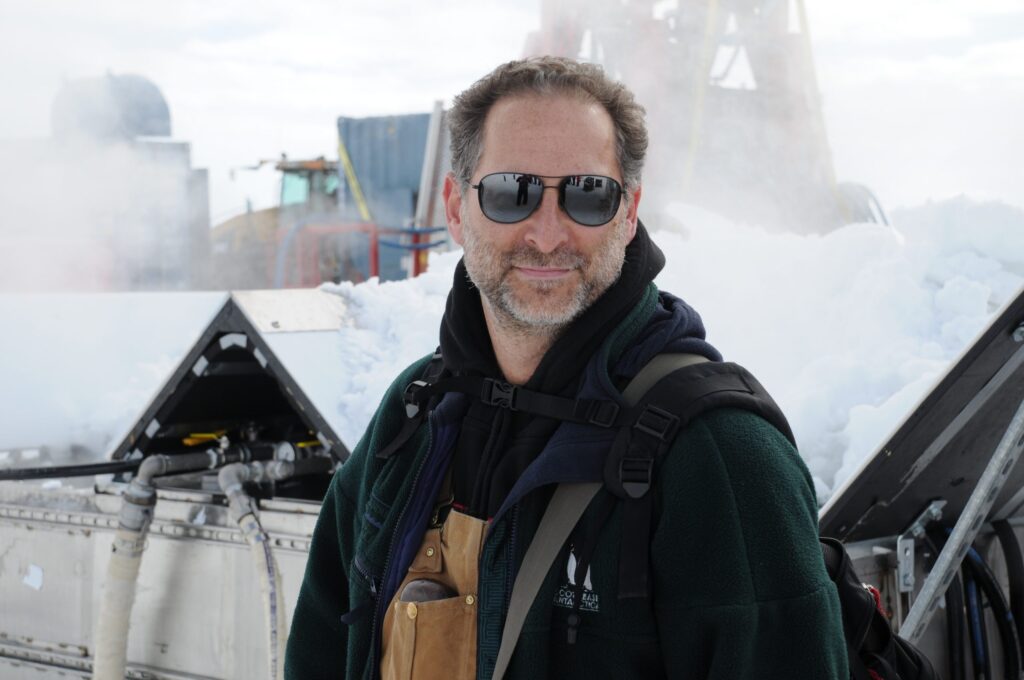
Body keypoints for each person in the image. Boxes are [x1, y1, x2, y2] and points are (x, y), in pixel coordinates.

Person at [285, 56, 847, 680]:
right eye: (509, 193)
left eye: (587, 194)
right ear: (454, 206)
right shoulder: (417, 414)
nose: (548, 234)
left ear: (629, 211)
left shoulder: (719, 457)